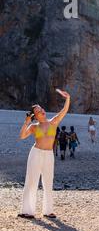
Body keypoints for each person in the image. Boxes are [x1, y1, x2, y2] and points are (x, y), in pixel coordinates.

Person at [18, 89, 71, 219]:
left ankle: (48, 211)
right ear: (35, 116)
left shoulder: (53, 122)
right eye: (38, 111)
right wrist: (27, 122)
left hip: (49, 155)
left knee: (48, 182)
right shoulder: (34, 127)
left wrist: (68, 98)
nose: (42, 110)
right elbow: (22, 136)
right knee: (31, 181)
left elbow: (64, 111)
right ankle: (27, 211)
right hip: (35, 154)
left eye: (41, 108)